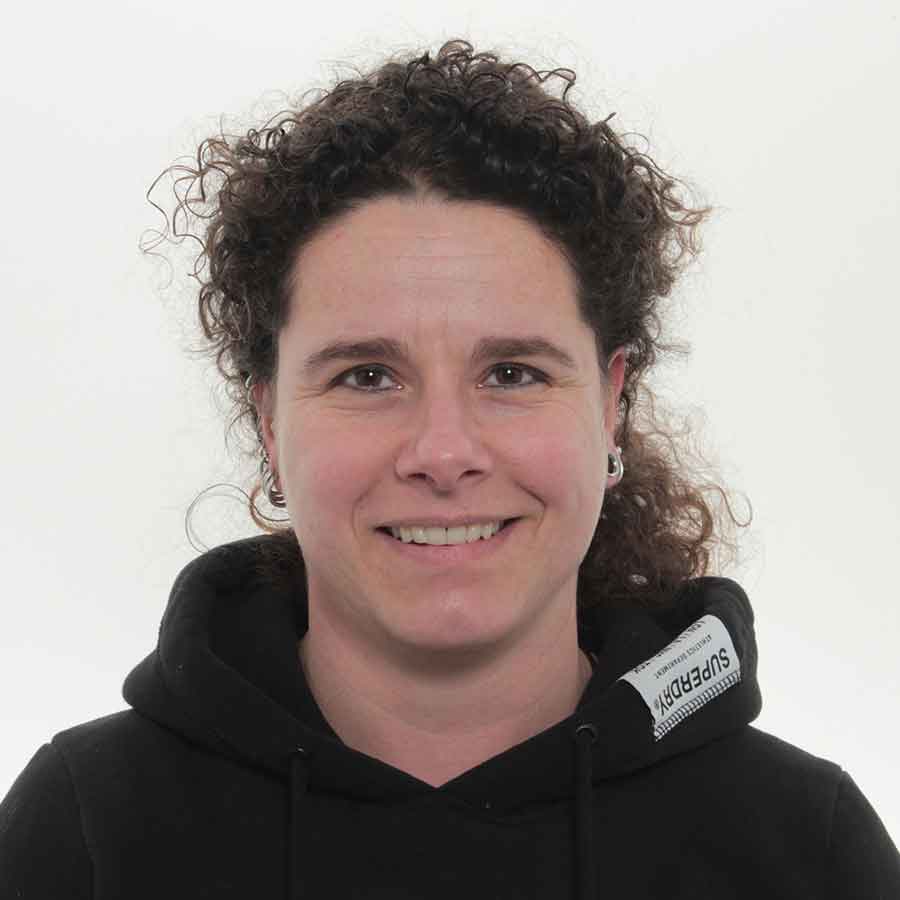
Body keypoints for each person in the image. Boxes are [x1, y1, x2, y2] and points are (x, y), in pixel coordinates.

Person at [1, 38, 897, 900]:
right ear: (268, 420)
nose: (442, 453)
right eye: (367, 376)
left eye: (512, 374)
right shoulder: (84, 831)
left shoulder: (805, 847)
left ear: (610, 405)